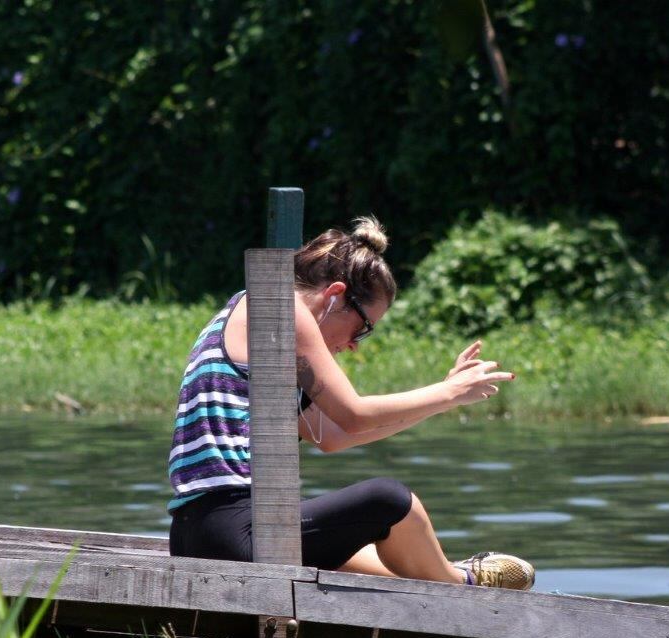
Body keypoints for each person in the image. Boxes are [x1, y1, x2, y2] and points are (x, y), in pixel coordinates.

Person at [167, 216, 534, 590]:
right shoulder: (284, 310)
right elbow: (355, 415)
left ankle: (446, 571)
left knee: (367, 556)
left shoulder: (251, 318)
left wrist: (442, 400)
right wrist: (451, 392)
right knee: (391, 500)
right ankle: (464, 581)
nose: (356, 343)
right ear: (335, 295)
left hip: (194, 535)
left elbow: (335, 435)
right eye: (363, 327)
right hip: (237, 531)